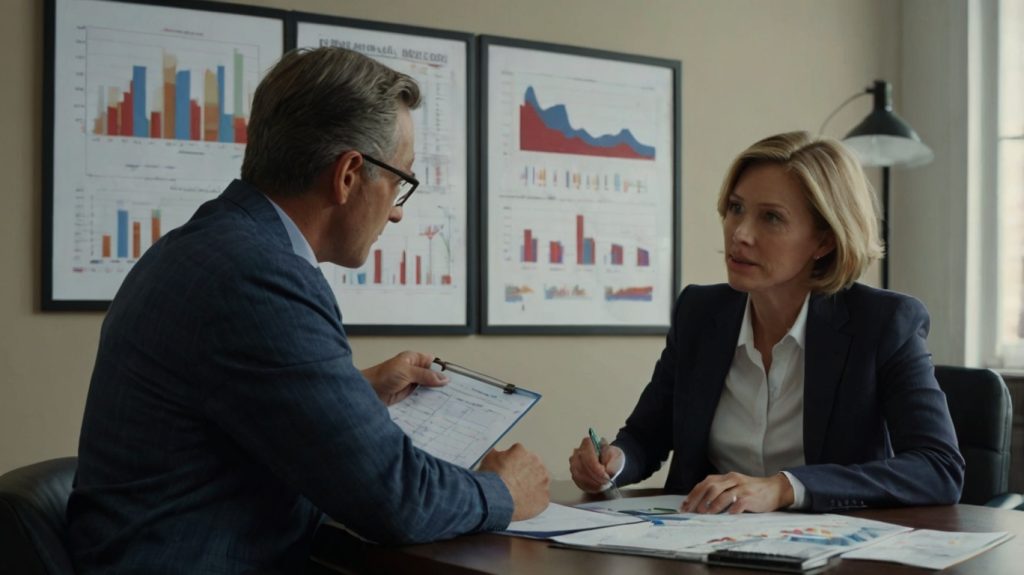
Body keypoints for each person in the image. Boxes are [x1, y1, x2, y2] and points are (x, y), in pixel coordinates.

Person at [67, 47, 549, 574]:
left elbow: (236, 408)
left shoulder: (203, 246)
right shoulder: (258, 277)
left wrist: (354, 391)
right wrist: (502, 491)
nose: (397, 212)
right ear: (348, 174)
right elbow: (396, 501)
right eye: (400, 182)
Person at [569, 131, 964, 514]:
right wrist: (614, 463)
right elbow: (646, 435)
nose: (740, 234)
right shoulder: (700, 312)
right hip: (700, 543)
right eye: (736, 208)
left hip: (828, 551)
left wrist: (783, 488)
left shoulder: (883, 324)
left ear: (824, 240)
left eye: (771, 218)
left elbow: (938, 468)